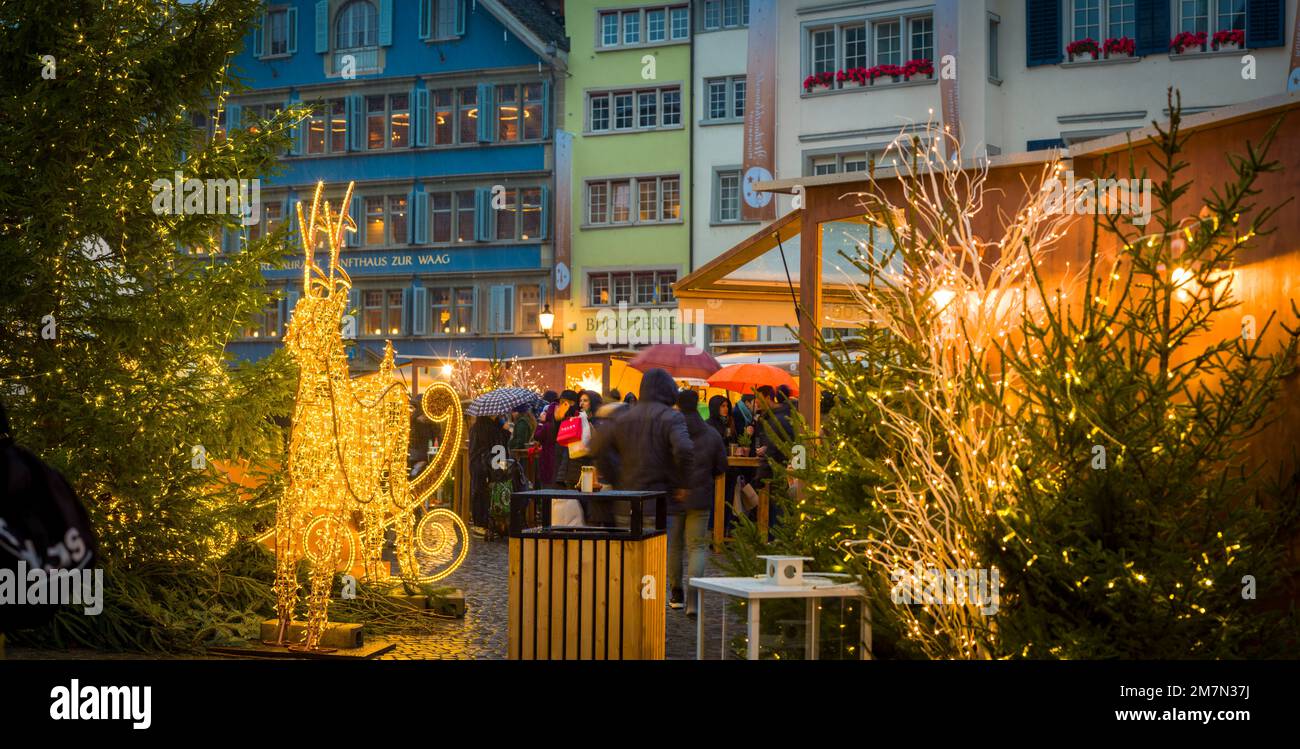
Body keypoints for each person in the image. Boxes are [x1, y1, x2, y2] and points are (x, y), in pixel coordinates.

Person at [590, 368, 693, 560]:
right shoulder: (672, 417)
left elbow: (597, 447)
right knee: (654, 564)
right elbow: (685, 449)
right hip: (659, 502)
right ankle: (650, 591)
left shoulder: (623, 417)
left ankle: (631, 591)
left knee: (628, 564)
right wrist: (683, 483)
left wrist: (615, 479)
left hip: (625, 501)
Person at [670, 390, 727, 614]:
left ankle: (676, 594)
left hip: (674, 495)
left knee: (675, 546)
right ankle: (694, 600)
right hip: (700, 495)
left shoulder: (672, 431)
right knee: (698, 547)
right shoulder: (711, 433)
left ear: (678, 405)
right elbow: (721, 466)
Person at [468, 414, 508, 532]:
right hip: (488, 465)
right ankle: (485, 522)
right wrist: (505, 431)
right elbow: (500, 447)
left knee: (480, 492)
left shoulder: (477, 427)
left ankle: (481, 523)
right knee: (487, 492)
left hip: (479, 464)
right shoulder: (492, 428)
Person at [534, 390, 577, 488]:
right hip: (555, 464)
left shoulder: (575, 419)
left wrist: (541, 423)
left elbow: (537, 436)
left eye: (567, 403)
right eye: (561, 403)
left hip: (566, 467)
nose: (563, 406)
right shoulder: (552, 422)